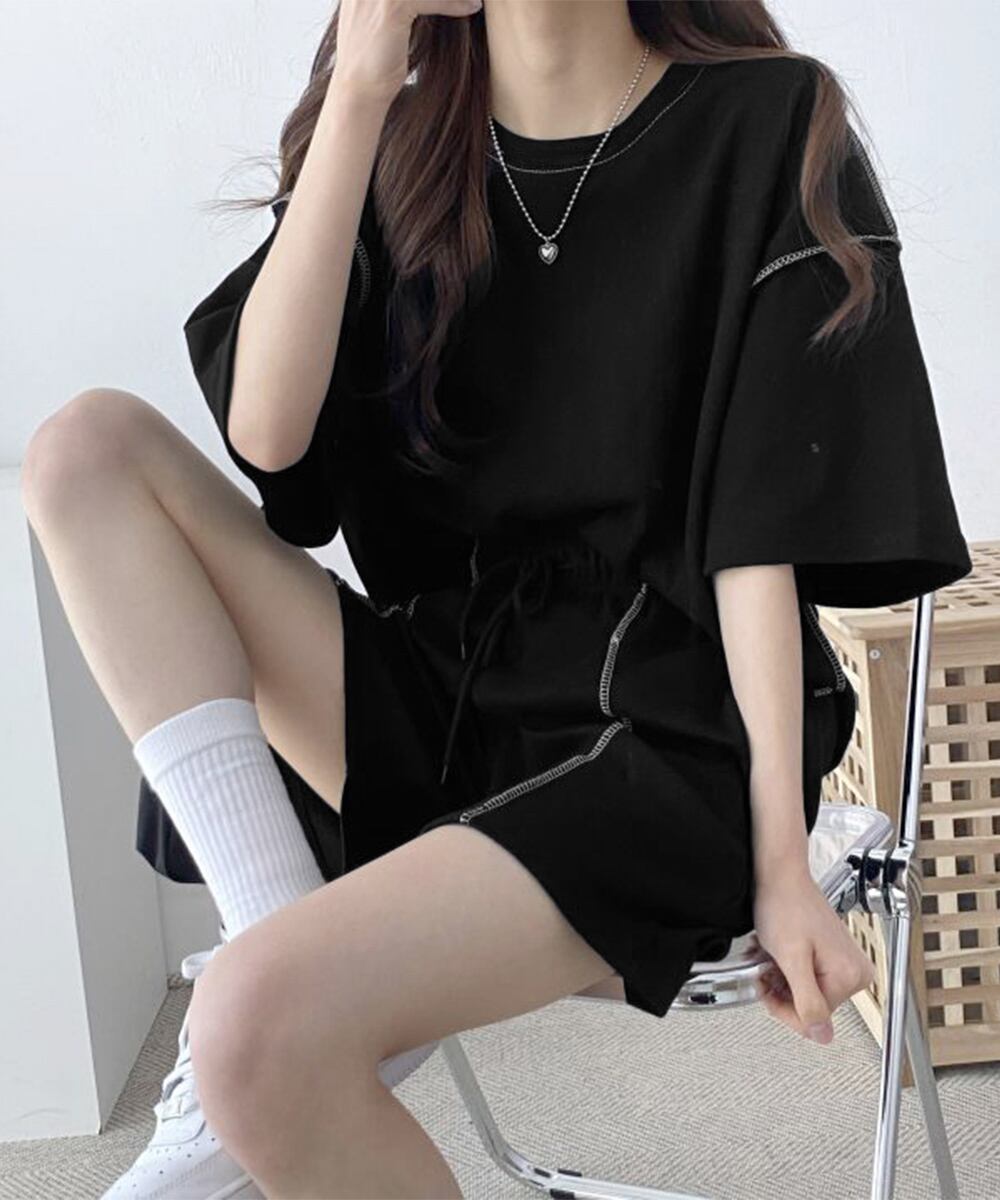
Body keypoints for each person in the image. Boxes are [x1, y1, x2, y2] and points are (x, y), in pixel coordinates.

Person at [21, 1, 972, 1196]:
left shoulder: (768, 117)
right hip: (444, 698)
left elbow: (755, 538)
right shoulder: (403, 138)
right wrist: (360, 91)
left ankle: (252, 1025)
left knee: (248, 1027)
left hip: (663, 733)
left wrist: (783, 859)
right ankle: (268, 943)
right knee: (85, 451)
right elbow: (269, 439)